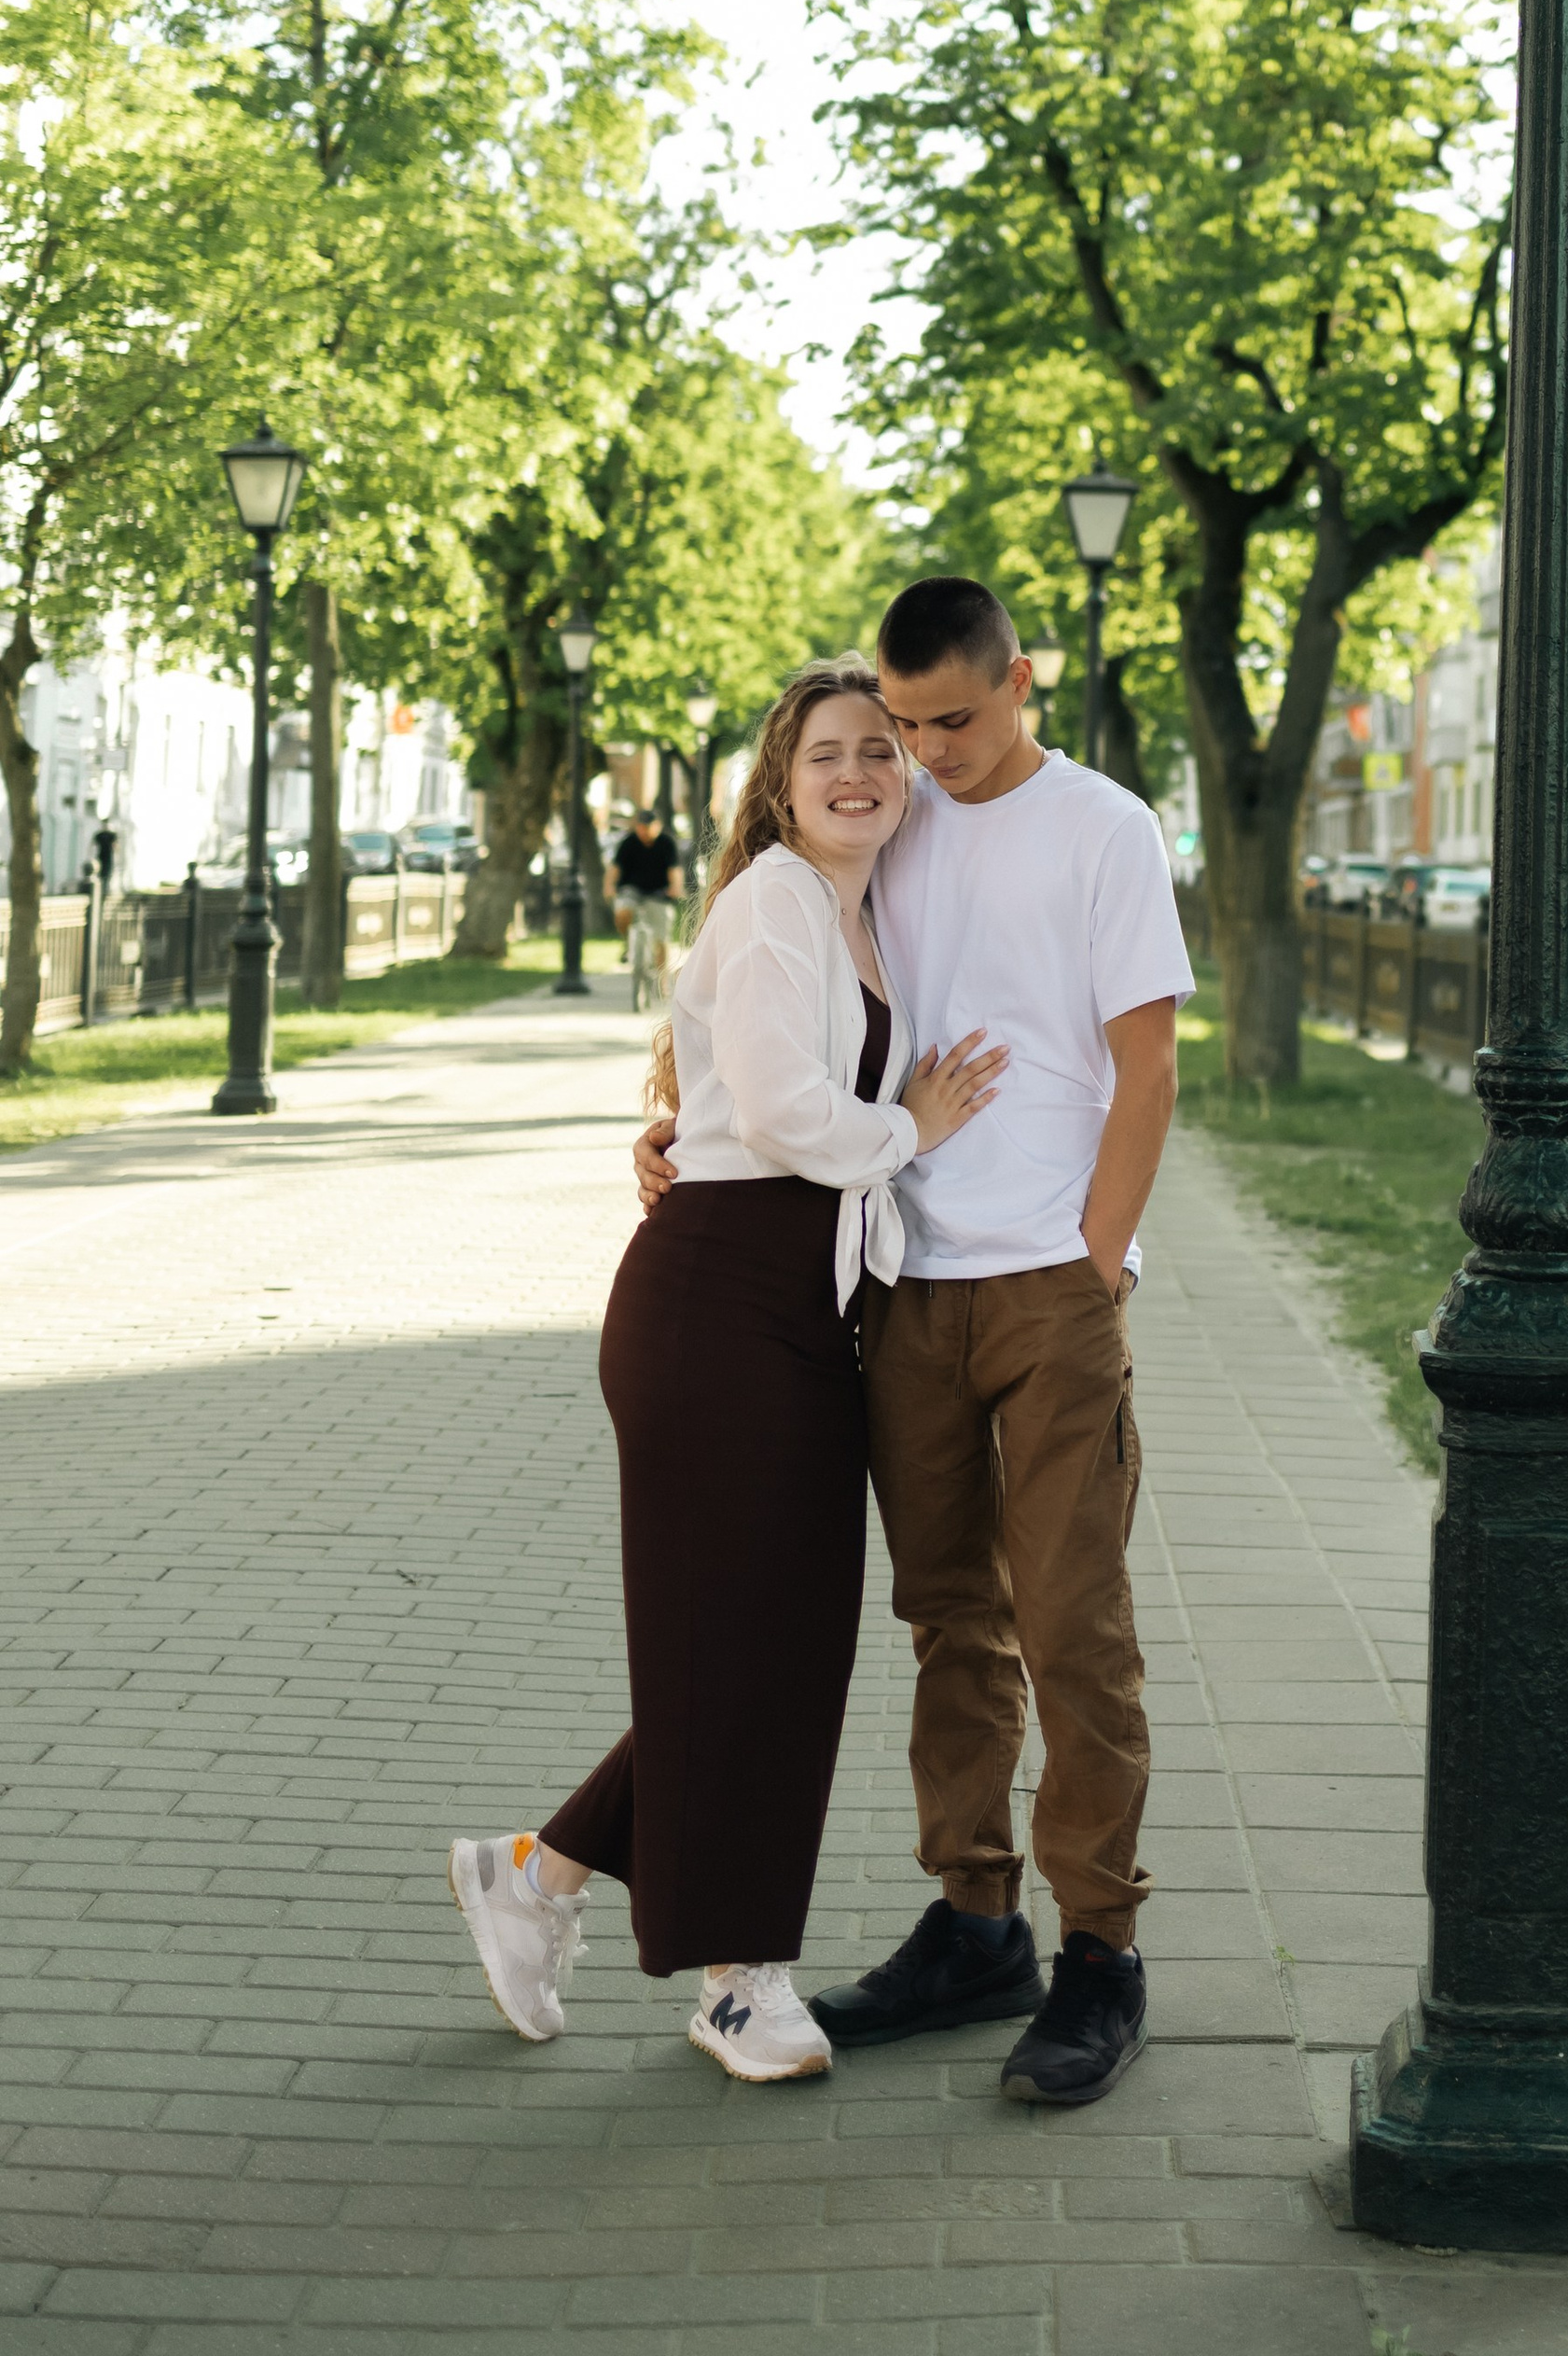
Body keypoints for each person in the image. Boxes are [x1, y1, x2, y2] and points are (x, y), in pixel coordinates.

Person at [636, 574, 1191, 2108]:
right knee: (952, 1622)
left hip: (1051, 1287)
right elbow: (762, 945)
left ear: (1024, 679)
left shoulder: (1107, 829)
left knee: (1074, 1623)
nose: (924, 751)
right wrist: (683, 1110)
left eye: (951, 719)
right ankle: (974, 1922)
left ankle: (1101, 1952)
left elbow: (1147, 1067)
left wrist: (1096, 1261)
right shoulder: (892, 812)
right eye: (901, 724)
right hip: (897, 1281)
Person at [449, 659, 1005, 2082]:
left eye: (882, 749)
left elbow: (724, 1094)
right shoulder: (773, 897)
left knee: (778, 1641)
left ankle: (541, 1877)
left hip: (798, 1305)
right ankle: (741, 1979)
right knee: (746, 1639)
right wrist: (915, 1129)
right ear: (780, 776)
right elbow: (779, 1107)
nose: (860, 772)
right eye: (829, 752)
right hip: (718, 1303)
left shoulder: (855, 908)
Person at [605, 802, 683, 942]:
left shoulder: (667, 843)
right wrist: (609, 887)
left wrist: (675, 888)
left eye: (648, 827)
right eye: (641, 827)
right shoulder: (629, 842)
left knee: (661, 937)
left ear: (657, 826)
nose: (644, 831)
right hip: (632, 889)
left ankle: (661, 964)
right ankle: (627, 942)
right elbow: (615, 868)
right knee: (623, 912)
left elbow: (674, 869)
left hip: (659, 892)